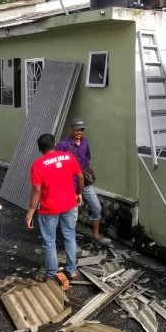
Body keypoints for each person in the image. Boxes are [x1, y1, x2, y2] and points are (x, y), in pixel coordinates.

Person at [26, 133, 84, 288]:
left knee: (49, 242)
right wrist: (79, 193)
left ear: (40, 148)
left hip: (49, 209)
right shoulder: (69, 157)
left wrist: (31, 211)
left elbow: (37, 190)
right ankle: (71, 270)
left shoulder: (38, 164)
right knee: (70, 237)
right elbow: (80, 176)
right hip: (69, 205)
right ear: (55, 144)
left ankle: (51, 274)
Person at [56, 118, 111, 245]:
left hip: (85, 182)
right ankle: (71, 242)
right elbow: (55, 161)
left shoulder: (85, 142)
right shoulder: (63, 145)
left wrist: (88, 177)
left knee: (96, 207)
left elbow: (87, 159)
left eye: (81, 129)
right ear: (71, 130)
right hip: (71, 184)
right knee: (73, 214)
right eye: (77, 129)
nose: (79, 132)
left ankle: (96, 234)